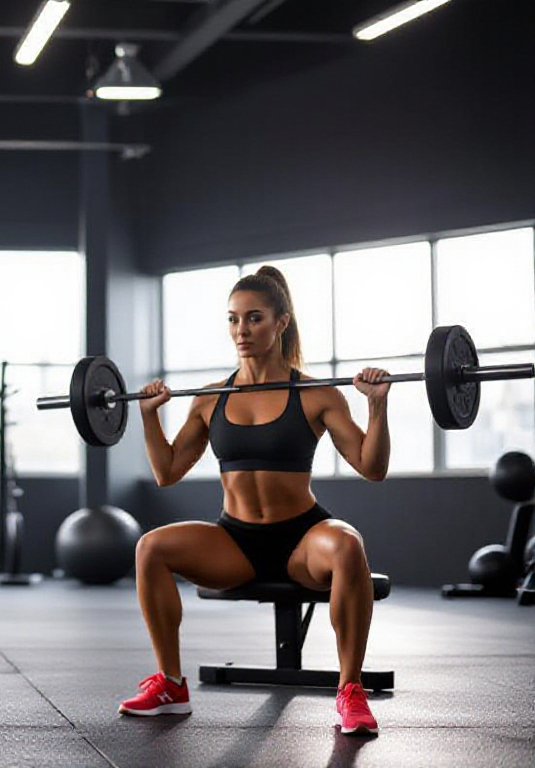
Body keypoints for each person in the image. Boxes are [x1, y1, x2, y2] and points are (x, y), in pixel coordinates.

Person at [120, 265, 389, 736]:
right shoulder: (210, 398)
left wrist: (377, 405)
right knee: (150, 547)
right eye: (233, 319)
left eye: (254, 318)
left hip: (302, 539)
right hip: (236, 541)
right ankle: (171, 685)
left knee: (348, 543)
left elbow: (372, 466)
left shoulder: (315, 394)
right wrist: (148, 416)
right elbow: (167, 472)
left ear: (281, 322)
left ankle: (351, 690)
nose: (241, 330)